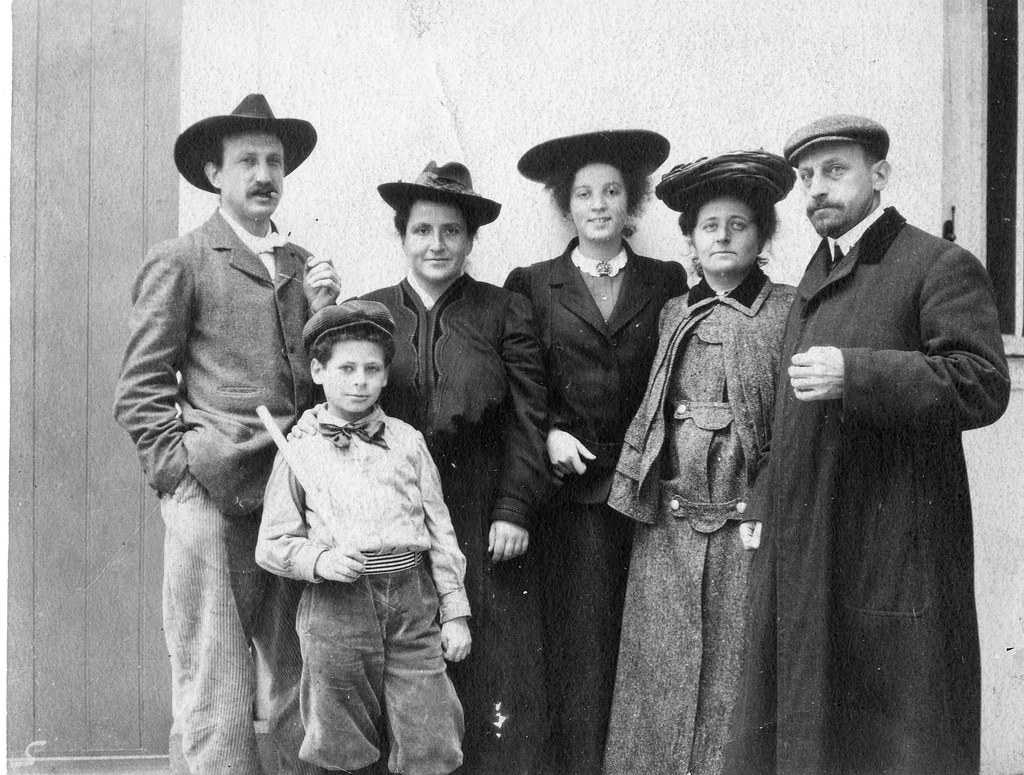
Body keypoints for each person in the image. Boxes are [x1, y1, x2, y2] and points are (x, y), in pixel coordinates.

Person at [722, 115, 1011, 775]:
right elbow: (790, 421)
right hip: (806, 544)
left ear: (879, 176)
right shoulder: (817, 276)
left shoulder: (935, 264)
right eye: (807, 177)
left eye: (835, 171)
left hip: (893, 549)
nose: (818, 188)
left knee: (893, 739)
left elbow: (982, 382)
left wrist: (857, 373)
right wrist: (762, 503)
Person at [113, 94, 340, 775]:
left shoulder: (303, 265)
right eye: (247, 161)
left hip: (292, 500)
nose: (264, 174)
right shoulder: (182, 259)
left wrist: (327, 311)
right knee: (214, 683)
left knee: (301, 669)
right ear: (215, 174)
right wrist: (180, 473)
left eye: (273, 161)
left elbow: (318, 381)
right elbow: (140, 388)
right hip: (211, 499)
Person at [602, 151, 796, 775]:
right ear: (689, 237)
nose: (722, 236)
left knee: (736, 685)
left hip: (750, 531)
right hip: (669, 531)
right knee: (659, 679)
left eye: (738, 224)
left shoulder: (790, 311)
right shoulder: (670, 314)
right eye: (709, 225)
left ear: (762, 235)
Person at [504, 130, 688, 775]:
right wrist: (551, 430)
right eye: (584, 194)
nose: (599, 204)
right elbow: (520, 382)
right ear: (567, 206)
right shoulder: (532, 284)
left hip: (648, 488)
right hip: (574, 491)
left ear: (630, 202)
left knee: (647, 645)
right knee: (581, 649)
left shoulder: (666, 279)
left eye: (612, 191)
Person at [357, 161, 549, 774]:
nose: (436, 245)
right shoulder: (372, 312)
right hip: (397, 509)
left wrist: (515, 507)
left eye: (451, 232)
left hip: (479, 504)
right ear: (402, 236)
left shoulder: (504, 311)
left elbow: (529, 417)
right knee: (406, 656)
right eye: (422, 231)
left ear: (470, 240)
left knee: (490, 655)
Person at [256, 299, 471, 775]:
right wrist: (319, 560)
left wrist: (455, 612)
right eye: (346, 368)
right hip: (337, 606)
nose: (360, 380)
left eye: (372, 369)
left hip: (412, 602)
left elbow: (441, 532)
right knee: (340, 742)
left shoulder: (408, 442)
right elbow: (271, 544)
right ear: (318, 370)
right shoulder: (300, 449)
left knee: (431, 734)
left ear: (386, 375)